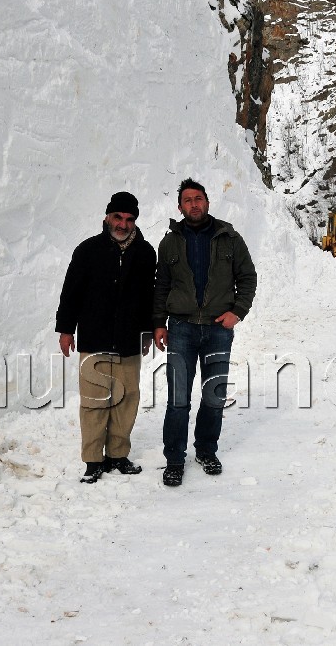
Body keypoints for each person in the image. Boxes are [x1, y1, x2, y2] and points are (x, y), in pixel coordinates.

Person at [153, 178, 257, 488]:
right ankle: (174, 459)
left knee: (214, 395)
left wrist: (238, 311)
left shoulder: (230, 238)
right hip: (181, 329)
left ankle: (206, 451)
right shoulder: (169, 243)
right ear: (180, 207)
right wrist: (159, 323)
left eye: (198, 198)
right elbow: (161, 286)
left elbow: (247, 277)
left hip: (217, 330)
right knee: (178, 399)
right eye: (187, 200)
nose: (194, 204)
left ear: (208, 203)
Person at [56, 191, 156, 484]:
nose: (123, 224)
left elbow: (150, 296)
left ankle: (118, 455)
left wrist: (148, 331)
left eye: (129, 219)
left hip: (129, 340)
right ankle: (93, 460)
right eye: (118, 217)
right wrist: (66, 329)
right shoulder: (87, 250)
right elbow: (71, 292)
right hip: (94, 338)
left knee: (127, 400)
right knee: (93, 401)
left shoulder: (146, 252)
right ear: (107, 217)